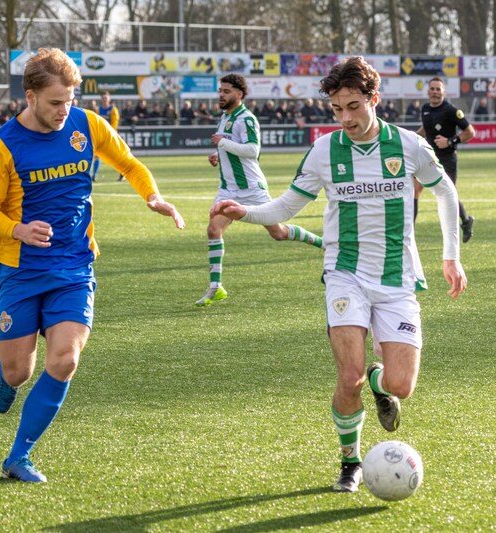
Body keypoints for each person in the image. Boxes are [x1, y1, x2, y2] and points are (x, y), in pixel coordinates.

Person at [210, 56, 467, 493]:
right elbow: (287, 205)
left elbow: (445, 191)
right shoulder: (325, 150)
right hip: (345, 273)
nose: (345, 118)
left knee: (401, 385)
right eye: (336, 109)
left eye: (353, 107)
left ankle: (378, 381)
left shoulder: (408, 145)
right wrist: (246, 212)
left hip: (397, 277)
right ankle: (350, 462)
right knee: (348, 377)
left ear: (373, 99)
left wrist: (451, 256)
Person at [0, 48, 185, 483]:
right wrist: (18, 229)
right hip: (20, 269)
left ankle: (18, 456)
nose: (63, 110)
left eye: (69, 100)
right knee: (19, 371)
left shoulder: (87, 124)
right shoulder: (2, 145)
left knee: (65, 360)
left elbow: (128, 164)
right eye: (55, 102)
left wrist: (152, 196)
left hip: (74, 266)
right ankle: (6, 379)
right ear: (30, 96)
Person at [195, 73, 323, 307]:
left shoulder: (247, 119)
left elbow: (252, 150)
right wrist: (218, 155)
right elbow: (233, 147)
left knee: (278, 233)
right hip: (228, 189)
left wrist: (222, 143)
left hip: (252, 189)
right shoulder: (225, 117)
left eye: (226, 91)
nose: (221, 95)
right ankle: (216, 286)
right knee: (214, 229)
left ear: (239, 94)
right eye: (220, 91)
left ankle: (323, 244)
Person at [416, 77, 476, 242]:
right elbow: (426, 128)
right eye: (432, 89)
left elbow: (470, 132)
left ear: (443, 92)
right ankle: (410, 232)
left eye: (438, 89)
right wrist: (412, 137)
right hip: (428, 157)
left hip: (447, 159)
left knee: (448, 195)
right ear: (428, 91)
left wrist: (449, 141)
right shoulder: (425, 109)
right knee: (415, 190)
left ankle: (466, 221)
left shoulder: (451, 110)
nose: (435, 92)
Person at [90, 91, 120, 182]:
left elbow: (115, 124)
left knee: (116, 155)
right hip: (101, 135)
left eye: (106, 97)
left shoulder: (113, 110)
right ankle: (94, 175)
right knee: (97, 155)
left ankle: (123, 173)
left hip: (112, 136)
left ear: (109, 99)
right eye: (103, 98)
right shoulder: (98, 110)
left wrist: (109, 132)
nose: (104, 99)